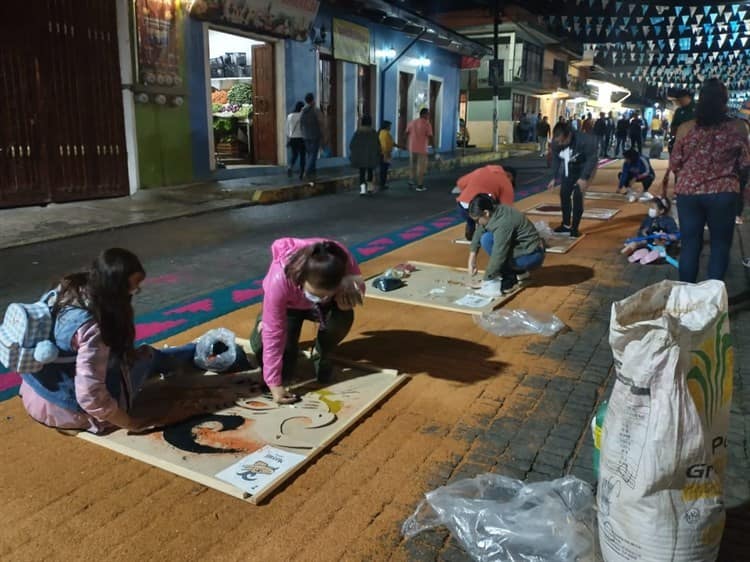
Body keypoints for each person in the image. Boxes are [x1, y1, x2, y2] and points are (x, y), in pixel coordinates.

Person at [17, 249, 248, 433]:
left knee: (139, 358)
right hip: (68, 410)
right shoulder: (94, 326)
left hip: (34, 393)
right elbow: (89, 395)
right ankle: (208, 354)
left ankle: (199, 353)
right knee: (149, 358)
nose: (136, 291)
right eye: (133, 287)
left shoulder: (68, 288)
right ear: (116, 288)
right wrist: (131, 422)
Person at [249, 238, 365, 403]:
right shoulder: (279, 280)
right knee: (282, 369)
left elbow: (358, 289)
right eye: (314, 293)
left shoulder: (343, 262)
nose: (318, 298)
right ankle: (258, 334)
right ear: (301, 278)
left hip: (324, 308)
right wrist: (274, 383)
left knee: (342, 317)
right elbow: (274, 331)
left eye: (325, 294)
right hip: (290, 306)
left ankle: (322, 352)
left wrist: (344, 303)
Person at [666, 78, 750, 283]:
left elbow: (675, 163)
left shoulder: (686, 128)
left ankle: (686, 297)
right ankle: (711, 302)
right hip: (723, 193)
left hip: (689, 194)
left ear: (700, 99)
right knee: (720, 246)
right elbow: (745, 164)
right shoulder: (739, 127)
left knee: (690, 246)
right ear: (725, 100)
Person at [467, 194, 545, 294]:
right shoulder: (494, 210)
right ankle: (520, 272)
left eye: (477, 220)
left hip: (533, 255)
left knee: (492, 245)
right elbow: (480, 230)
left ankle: (510, 280)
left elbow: (499, 254)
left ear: (486, 213)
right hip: (524, 248)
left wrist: (487, 280)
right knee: (486, 238)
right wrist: (472, 257)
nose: (477, 223)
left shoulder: (503, 223)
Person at [547, 121, 599, 238]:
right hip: (569, 167)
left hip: (586, 167)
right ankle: (565, 225)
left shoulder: (586, 140)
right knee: (564, 194)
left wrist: (584, 178)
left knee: (577, 195)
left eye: (563, 141)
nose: (560, 144)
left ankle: (574, 228)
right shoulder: (556, 143)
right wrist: (553, 177)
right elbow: (556, 160)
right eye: (558, 141)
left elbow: (592, 160)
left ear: (569, 135)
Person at [454, 165, 517, 240]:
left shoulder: (481, 170)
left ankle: (471, 225)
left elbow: (460, 183)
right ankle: (487, 234)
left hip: (461, 207)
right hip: (481, 212)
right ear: (510, 176)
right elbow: (507, 208)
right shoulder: (505, 181)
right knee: (494, 216)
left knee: (475, 211)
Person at [349, 115, 381, 196]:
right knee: (370, 172)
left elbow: (352, 144)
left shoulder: (358, 132)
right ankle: (370, 188)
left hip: (360, 157)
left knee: (362, 172)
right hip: (370, 156)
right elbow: (378, 145)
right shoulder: (373, 132)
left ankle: (362, 190)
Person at [300, 92, 327, 180]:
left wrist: (303, 133)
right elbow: (321, 123)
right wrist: (324, 135)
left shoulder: (303, 110)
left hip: (305, 136)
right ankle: (307, 172)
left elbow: (301, 124)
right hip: (315, 135)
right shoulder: (315, 110)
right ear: (313, 100)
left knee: (309, 154)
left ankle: (312, 172)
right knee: (313, 155)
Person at [405, 108, 433, 192]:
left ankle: (410, 181)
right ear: (424, 114)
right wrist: (433, 146)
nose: (428, 116)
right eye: (428, 114)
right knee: (420, 167)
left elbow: (406, 133)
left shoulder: (412, 122)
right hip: (421, 148)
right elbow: (430, 135)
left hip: (412, 147)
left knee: (412, 165)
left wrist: (405, 143)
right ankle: (419, 185)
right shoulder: (427, 124)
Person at [286, 101, 306, 179]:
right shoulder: (303, 116)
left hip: (293, 139)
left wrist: (290, 137)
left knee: (294, 154)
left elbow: (287, 129)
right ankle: (301, 173)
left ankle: (290, 167)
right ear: (301, 108)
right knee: (302, 156)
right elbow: (304, 128)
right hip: (301, 138)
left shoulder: (290, 116)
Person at [378, 120, 395, 190]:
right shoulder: (386, 134)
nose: (390, 127)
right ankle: (382, 184)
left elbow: (391, 143)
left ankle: (382, 183)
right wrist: (385, 155)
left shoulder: (381, 132)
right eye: (390, 126)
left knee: (383, 169)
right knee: (384, 170)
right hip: (384, 154)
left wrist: (399, 146)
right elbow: (384, 145)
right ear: (387, 126)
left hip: (382, 153)